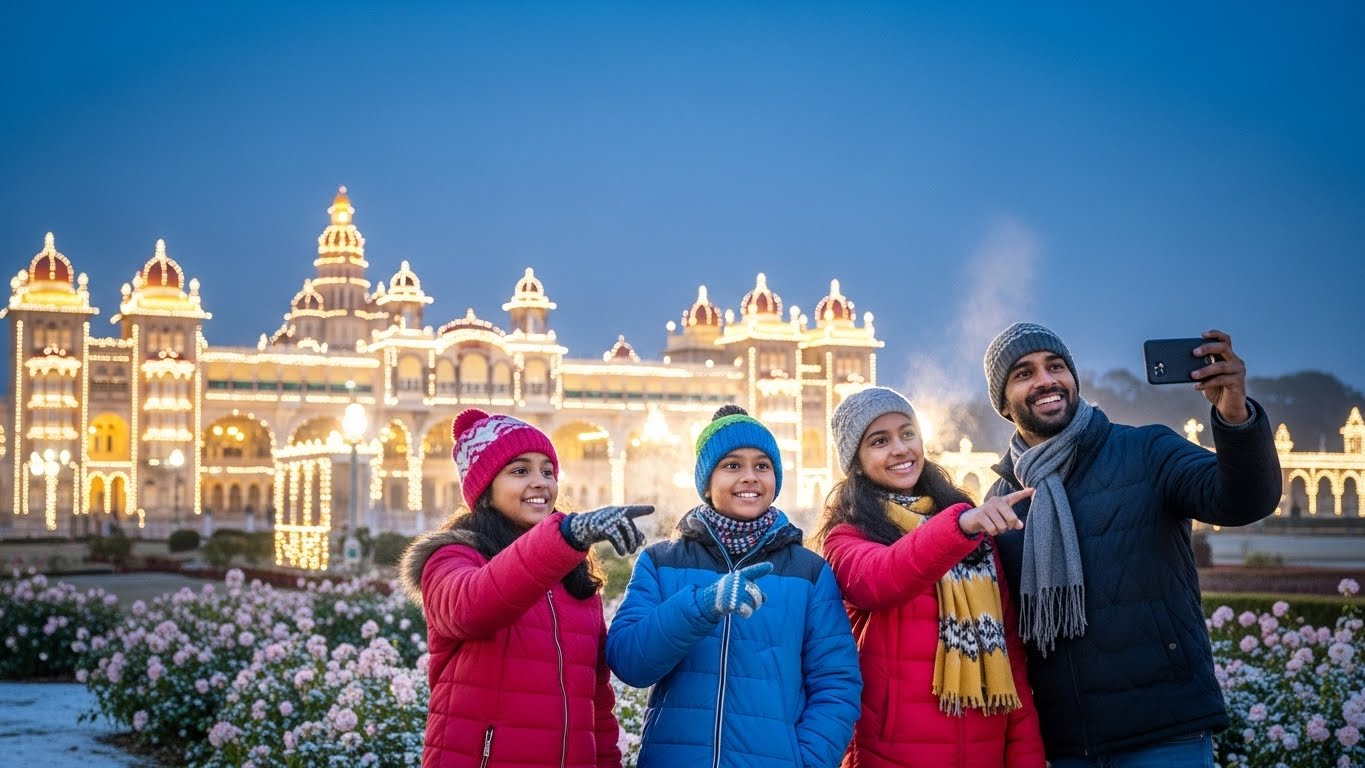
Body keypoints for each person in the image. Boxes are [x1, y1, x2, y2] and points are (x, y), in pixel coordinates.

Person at [980, 323, 1282, 766]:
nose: (1045, 379)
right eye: (1024, 373)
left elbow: (1244, 501)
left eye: (1056, 366)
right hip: (1063, 746)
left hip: (1164, 736)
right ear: (1004, 403)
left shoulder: (1146, 450)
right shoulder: (1001, 502)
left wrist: (1235, 417)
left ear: (1073, 379)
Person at [606, 405, 862, 767]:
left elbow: (837, 683)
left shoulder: (808, 572)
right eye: (732, 465)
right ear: (706, 482)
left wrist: (806, 761)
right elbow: (630, 663)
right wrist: (700, 607)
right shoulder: (661, 563)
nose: (750, 476)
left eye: (762, 465)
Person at [398, 408, 653, 768]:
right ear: (485, 488)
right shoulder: (451, 557)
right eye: (520, 471)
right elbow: (472, 608)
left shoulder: (573, 575)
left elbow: (596, 700)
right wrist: (564, 538)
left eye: (547, 471)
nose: (541, 482)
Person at [816, 386, 1046, 768]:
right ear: (855, 461)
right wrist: (958, 525)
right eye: (879, 441)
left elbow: (1011, 657)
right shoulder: (848, 535)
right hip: (891, 754)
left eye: (907, 433)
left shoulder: (970, 533)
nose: (900, 449)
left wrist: (1026, 758)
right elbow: (881, 580)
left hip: (984, 752)